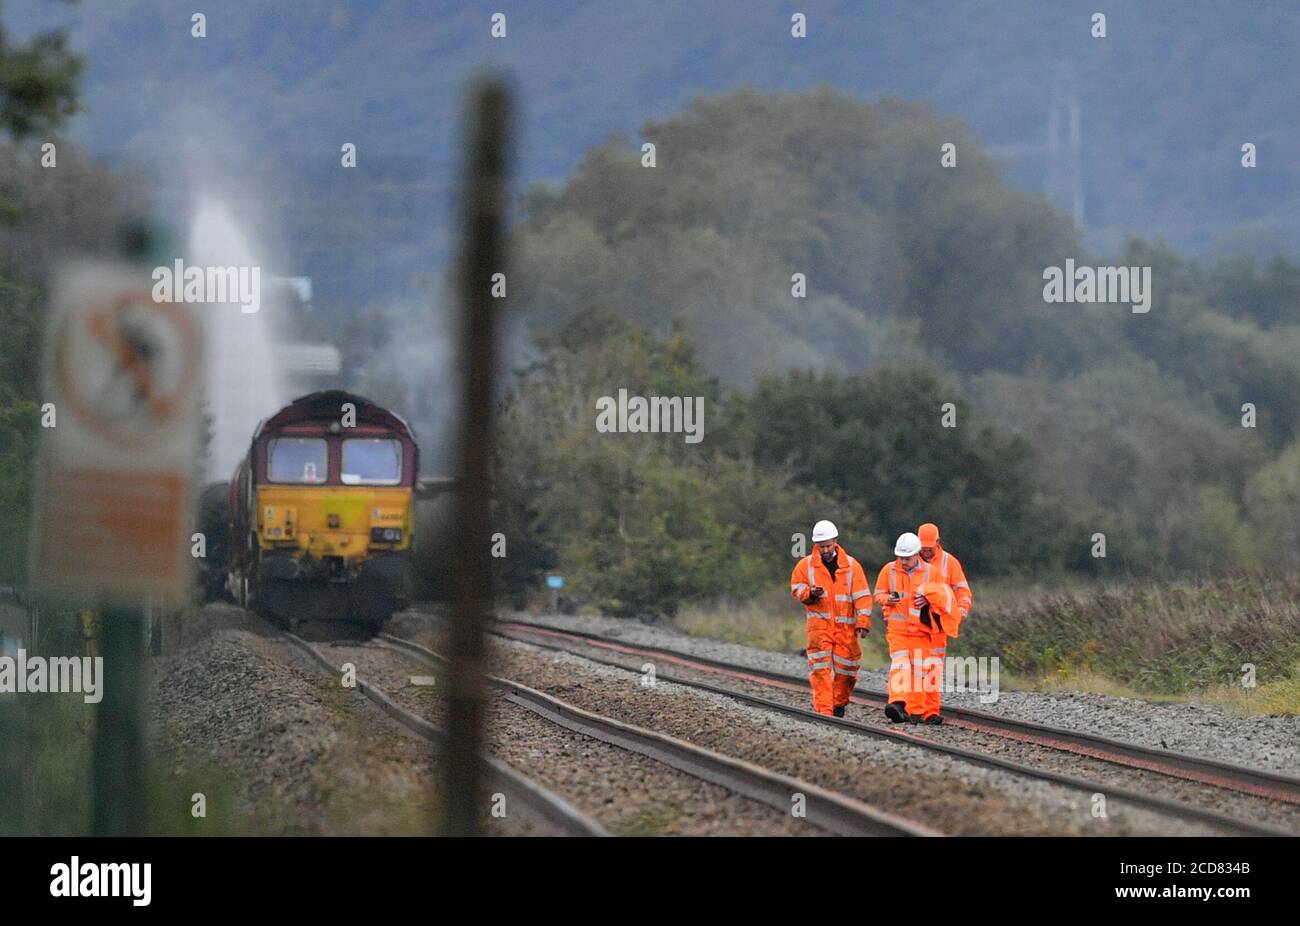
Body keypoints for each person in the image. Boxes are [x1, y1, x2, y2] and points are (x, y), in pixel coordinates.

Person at [873, 532, 962, 724]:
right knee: (901, 665)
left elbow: (943, 596)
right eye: (900, 557)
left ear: (916, 554)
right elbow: (879, 593)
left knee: (919, 672)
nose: (903, 562)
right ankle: (896, 702)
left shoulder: (932, 572)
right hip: (897, 630)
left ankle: (915, 712)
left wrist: (928, 598)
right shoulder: (889, 570)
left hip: (921, 632)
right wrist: (887, 599)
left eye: (907, 558)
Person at [789, 520, 871, 717]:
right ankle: (824, 712)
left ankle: (838, 703)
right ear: (816, 545)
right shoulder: (805, 565)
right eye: (821, 546)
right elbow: (796, 588)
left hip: (846, 630)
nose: (825, 550)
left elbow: (862, 596)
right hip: (819, 629)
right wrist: (810, 594)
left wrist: (862, 623)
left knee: (848, 671)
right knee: (821, 671)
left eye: (828, 545)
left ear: (835, 541)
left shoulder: (852, 566)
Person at [917, 522, 972, 625]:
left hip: (941, 623)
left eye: (929, 547)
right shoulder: (910, 561)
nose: (926, 551)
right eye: (923, 547)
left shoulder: (950, 562)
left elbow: (962, 591)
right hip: (915, 626)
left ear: (937, 541)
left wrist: (961, 610)